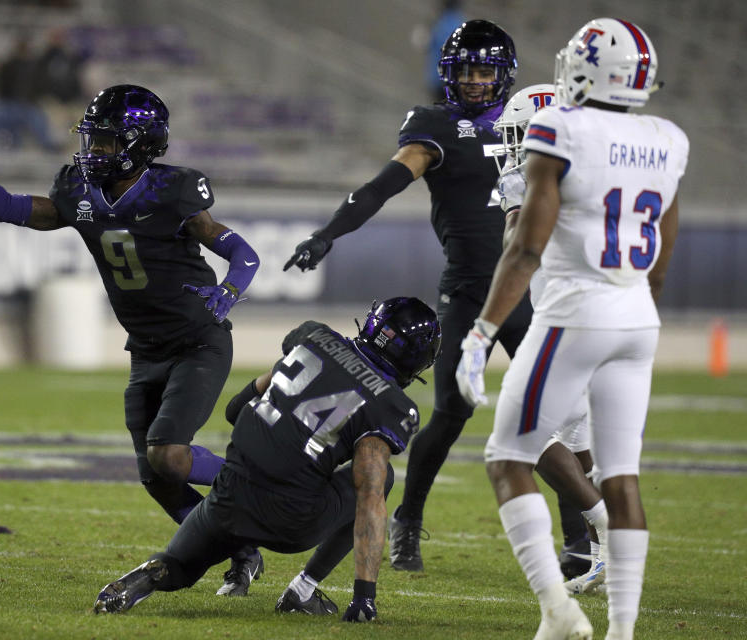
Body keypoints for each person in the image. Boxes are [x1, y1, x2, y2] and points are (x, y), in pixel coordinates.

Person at [284, 19, 590, 574]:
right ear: (447, 75)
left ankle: (578, 542)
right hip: (471, 292)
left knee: (559, 416)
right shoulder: (434, 127)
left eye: (484, 70)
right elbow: (382, 185)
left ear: (506, 76)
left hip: (537, 292)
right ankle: (407, 522)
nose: (474, 80)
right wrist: (329, 231)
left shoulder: (537, 117)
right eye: (464, 70)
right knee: (451, 410)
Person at [0, 84, 262, 595]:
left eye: (107, 142)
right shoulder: (77, 192)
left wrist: (229, 291)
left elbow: (244, 254)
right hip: (146, 351)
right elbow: (6, 207)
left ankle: (259, 486)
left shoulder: (173, 191)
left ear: (139, 143)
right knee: (158, 479)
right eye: (93, 140)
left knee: (169, 455)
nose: (94, 151)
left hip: (198, 342)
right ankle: (240, 549)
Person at [456, 18, 687, 639]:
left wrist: (482, 333)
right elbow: (661, 258)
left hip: (575, 312)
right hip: (637, 317)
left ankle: (558, 612)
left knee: (507, 458)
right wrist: (635, 310)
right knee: (621, 477)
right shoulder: (668, 137)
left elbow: (525, 249)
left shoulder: (562, 127)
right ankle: (622, 633)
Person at [92, 297, 442, 622]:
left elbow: (234, 410)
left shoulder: (313, 338)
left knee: (180, 566)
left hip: (230, 491)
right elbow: (369, 492)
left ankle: (149, 575)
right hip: (291, 519)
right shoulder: (393, 406)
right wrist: (364, 596)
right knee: (385, 481)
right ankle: (301, 591)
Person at [492, 84, 610, 595]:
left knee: (524, 438)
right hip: (605, 318)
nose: (513, 146)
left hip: (569, 323)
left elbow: (516, 248)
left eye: (521, 134)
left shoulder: (531, 178)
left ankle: (611, 528)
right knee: (579, 446)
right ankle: (607, 559)